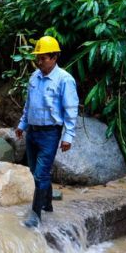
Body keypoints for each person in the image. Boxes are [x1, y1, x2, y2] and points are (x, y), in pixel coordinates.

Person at [16, 36, 79, 228]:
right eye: (38, 58)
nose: (39, 61)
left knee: (40, 174)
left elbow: (71, 110)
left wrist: (68, 136)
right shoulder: (34, 77)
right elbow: (29, 105)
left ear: (54, 57)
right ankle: (48, 202)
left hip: (50, 133)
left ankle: (35, 215)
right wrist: (22, 125)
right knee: (35, 171)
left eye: (44, 57)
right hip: (33, 132)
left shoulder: (64, 80)